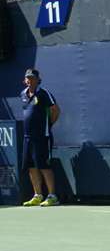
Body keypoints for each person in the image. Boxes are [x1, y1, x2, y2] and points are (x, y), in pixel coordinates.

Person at [20, 69, 61, 208]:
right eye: (28, 78)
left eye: (32, 78)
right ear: (25, 80)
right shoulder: (23, 94)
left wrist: (48, 125)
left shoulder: (43, 93)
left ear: (38, 80)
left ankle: (52, 196)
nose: (30, 80)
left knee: (44, 165)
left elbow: (55, 110)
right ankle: (38, 195)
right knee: (31, 167)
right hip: (27, 138)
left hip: (42, 137)